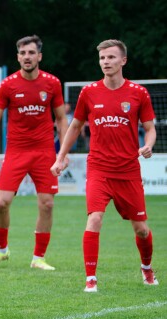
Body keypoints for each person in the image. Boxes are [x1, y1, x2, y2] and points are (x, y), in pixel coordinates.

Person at [51, 39, 158, 293]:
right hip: (98, 168)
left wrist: (149, 145)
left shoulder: (138, 93)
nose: (105, 62)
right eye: (102, 58)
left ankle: (146, 268)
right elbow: (75, 126)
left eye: (111, 57)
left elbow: (150, 128)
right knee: (95, 219)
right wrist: (60, 156)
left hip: (129, 171)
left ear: (123, 61)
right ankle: (91, 278)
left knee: (142, 229)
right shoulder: (89, 92)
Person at [0, 35, 68, 271]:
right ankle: (1, 251)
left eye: (31, 53)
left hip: (44, 152)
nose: (26, 57)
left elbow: (61, 118)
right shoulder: (8, 84)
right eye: (22, 53)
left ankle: (38, 258)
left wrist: (64, 152)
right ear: (18, 57)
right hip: (16, 152)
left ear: (39, 56)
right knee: (1, 203)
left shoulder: (52, 83)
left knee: (47, 204)